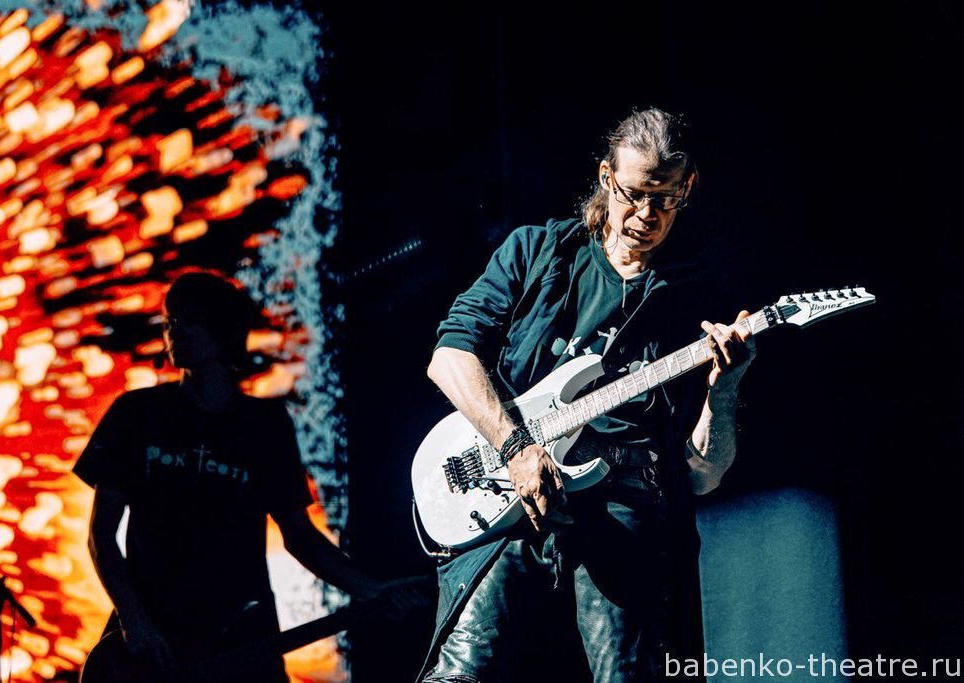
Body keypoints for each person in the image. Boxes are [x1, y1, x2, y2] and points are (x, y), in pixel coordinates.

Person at [419, 108, 755, 682]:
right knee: (460, 675)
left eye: (666, 199)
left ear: (688, 188)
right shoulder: (537, 253)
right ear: (606, 177)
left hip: (628, 508)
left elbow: (703, 476)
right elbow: (449, 358)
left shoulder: (696, 300)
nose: (646, 215)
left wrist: (724, 390)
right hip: (511, 491)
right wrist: (516, 447)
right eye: (634, 195)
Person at [75, 271, 391, 682]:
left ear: (225, 331)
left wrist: (372, 590)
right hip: (156, 648)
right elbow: (101, 535)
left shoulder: (265, 426)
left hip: (243, 640)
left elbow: (300, 536)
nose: (174, 330)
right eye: (171, 320)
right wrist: (134, 620)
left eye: (189, 319)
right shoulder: (136, 413)